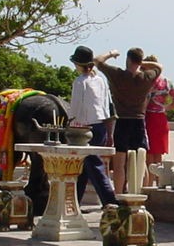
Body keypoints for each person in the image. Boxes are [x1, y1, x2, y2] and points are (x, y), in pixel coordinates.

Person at [95, 47, 162, 193]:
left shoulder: (117, 75)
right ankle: (141, 195)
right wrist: (143, 62)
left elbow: (97, 61)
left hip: (122, 121)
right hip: (138, 121)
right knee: (140, 162)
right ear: (139, 61)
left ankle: (119, 196)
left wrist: (111, 54)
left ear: (128, 59)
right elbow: (159, 67)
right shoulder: (146, 77)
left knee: (119, 163)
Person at [68, 46, 117, 206]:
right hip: (100, 126)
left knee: (94, 166)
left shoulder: (79, 82)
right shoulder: (101, 80)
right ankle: (74, 201)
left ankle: (109, 201)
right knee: (84, 168)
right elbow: (108, 106)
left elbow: (75, 107)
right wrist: (110, 133)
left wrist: (69, 126)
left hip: (84, 128)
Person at [142, 55, 174, 186]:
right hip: (161, 118)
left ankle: (148, 185)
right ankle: (160, 183)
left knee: (149, 155)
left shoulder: (147, 81)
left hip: (149, 117)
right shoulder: (167, 82)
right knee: (158, 154)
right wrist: (164, 107)